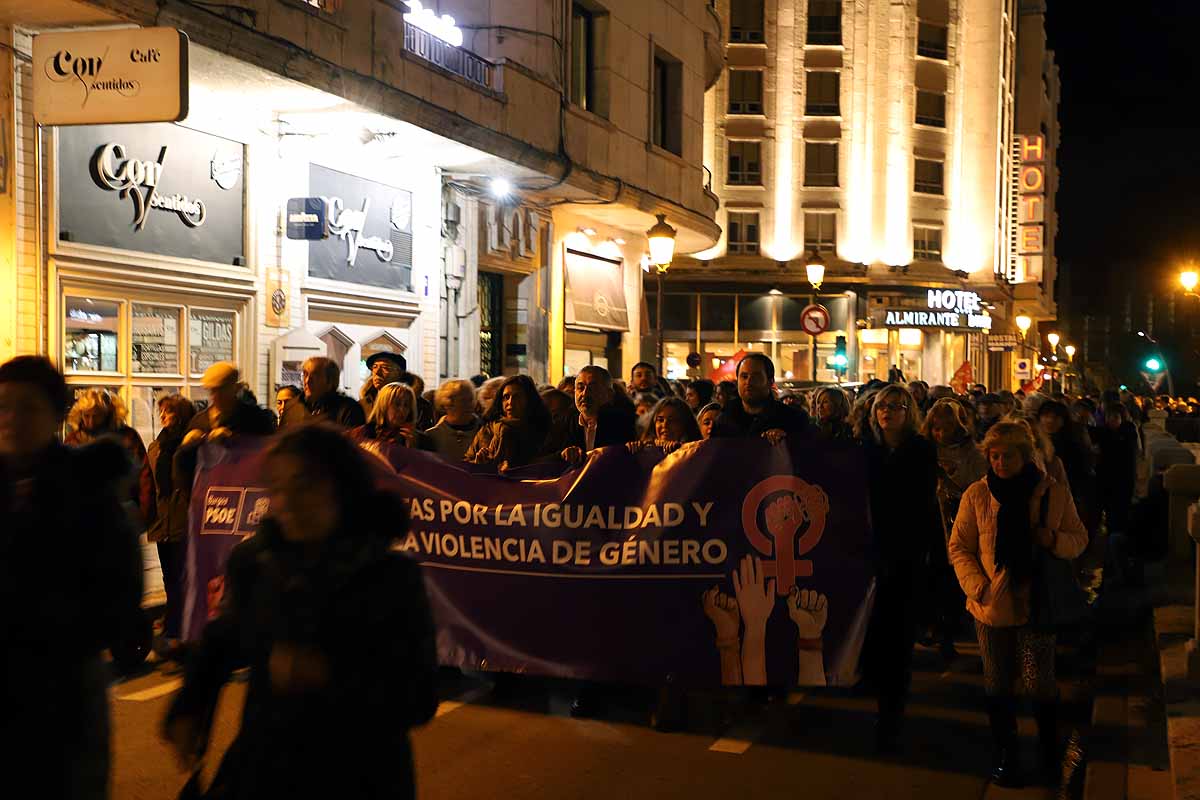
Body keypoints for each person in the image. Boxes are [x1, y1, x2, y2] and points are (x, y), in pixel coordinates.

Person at [163, 424, 438, 799]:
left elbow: (418, 698)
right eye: (277, 488)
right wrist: (190, 702)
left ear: (341, 486)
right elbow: (223, 642)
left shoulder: (390, 576)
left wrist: (328, 673)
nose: (288, 500)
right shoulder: (258, 562)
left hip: (362, 776)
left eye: (304, 484)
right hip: (267, 771)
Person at [1, 356, 143, 798]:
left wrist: (66, 631)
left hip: (63, 692)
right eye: (3, 406)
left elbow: (121, 583)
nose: (11, 419)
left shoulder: (86, 488)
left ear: (57, 415)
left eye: (27, 407)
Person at [949, 422, 1088, 786]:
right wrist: (978, 587)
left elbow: (1079, 539)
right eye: (993, 456)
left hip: (1036, 601)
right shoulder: (976, 495)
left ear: (1025, 456)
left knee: (1038, 680)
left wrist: (1052, 538)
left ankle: (1048, 751)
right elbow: (959, 547)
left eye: (1007, 455)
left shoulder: (1051, 492)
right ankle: (1006, 755)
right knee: (997, 682)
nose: (1000, 462)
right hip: (990, 605)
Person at [857, 383, 941, 752]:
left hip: (905, 555)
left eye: (896, 405)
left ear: (910, 412)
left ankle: (891, 713)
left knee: (898, 637)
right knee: (873, 634)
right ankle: (878, 693)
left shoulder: (921, 450)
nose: (887, 412)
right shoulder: (866, 450)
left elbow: (921, 504)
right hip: (868, 553)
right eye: (882, 406)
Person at [921, 398, 987, 659]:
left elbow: (978, 483)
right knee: (934, 574)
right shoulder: (925, 448)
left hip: (959, 519)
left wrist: (953, 474)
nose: (941, 434)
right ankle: (936, 626)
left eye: (946, 428)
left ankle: (952, 628)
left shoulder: (972, 451)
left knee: (955, 575)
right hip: (930, 519)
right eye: (936, 428)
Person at [140, 393, 197, 659]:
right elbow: (149, 482)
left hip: (184, 519)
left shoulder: (191, 444)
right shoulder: (156, 445)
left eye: (169, 411)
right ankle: (175, 630)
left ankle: (178, 632)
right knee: (169, 579)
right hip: (162, 520)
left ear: (181, 414)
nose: (163, 415)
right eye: (161, 411)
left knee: (182, 579)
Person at [175, 363, 276, 505]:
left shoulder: (256, 419)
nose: (215, 396)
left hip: (243, 500)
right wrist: (185, 448)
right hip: (209, 501)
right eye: (212, 391)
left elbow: (268, 458)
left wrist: (234, 440)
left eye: (221, 390)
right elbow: (183, 471)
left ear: (235, 388)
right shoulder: (199, 421)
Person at [65, 388, 147, 508]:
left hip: (121, 507)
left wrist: (144, 512)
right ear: (80, 414)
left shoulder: (127, 437)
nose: (91, 422)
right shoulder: (73, 440)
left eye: (97, 416)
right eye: (86, 416)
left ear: (107, 414)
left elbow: (144, 476)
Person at [711, 353, 813, 444]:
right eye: (744, 376)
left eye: (756, 376)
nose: (748, 382)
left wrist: (786, 441)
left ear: (770, 381)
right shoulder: (724, 419)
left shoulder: (792, 419)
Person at [464, 375, 552, 469]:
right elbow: (467, 463)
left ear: (529, 400)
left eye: (517, 396)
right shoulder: (487, 431)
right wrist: (478, 463)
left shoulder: (541, 429)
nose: (510, 402)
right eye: (506, 397)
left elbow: (546, 463)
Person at [560, 365, 638, 465]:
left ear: (609, 394)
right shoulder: (564, 423)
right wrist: (563, 454)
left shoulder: (624, 424)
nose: (585, 393)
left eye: (593, 388)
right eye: (580, 388)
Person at [350, 382, 421, 463]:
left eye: (406, 405)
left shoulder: (414, 436)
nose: (402, 410)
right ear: (383, 405)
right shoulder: (365, 433)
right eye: (397, 404)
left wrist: (413, 449)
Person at [422, 379, 483, 462]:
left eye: (471, 399)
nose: (470, 405)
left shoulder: (486, 431)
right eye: (463, 400)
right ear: (447, 404)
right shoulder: (432, 436)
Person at [302, 356, 366, 429]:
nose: (307, 381)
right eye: (305, 374)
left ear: (330, 380)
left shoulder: (349, 409)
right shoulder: (297, 406)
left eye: (315, 375)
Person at [629, 396, 701, 454]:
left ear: (685, 423)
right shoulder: (645, 449)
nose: (665, 424)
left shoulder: (695, 452)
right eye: (660, 420)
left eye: (672, 420)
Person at [359, 352, 407, 419]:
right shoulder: (362, 405)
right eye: (374, 367)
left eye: (385, 367)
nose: (377, 372)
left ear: (399, 373)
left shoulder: (413, 404)